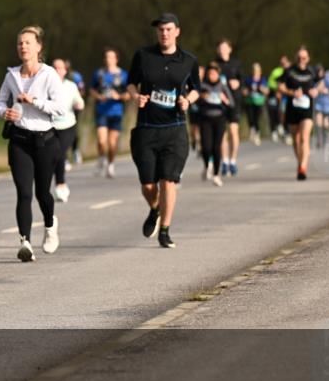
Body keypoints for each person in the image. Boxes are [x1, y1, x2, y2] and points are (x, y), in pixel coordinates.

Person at [0, 26, 70, 261]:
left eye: (28, 42)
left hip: (45, 141)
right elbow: (0, 102)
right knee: (24, 192)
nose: (23, 46)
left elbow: (61, 108)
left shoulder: (49, 74)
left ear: (38, 47)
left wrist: (35, 101)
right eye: (20, 43)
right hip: (19, 140)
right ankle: (25, 242)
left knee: (42, 193)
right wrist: (5, 112)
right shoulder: (11, 75)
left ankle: (50, 225)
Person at [127, 13, 200, 249]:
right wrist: (135, 96)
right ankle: (155, 208)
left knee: (168, 181)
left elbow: (196, 89)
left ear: (177, 31)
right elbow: (130, 83)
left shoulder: (188, 60)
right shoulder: (143, 56)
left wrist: (188, 100)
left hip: (174, 130)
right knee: (148, 185)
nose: (164, 33)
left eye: (168, 29)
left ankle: (165, 230)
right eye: (160, 30)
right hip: (146, 129)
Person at [278, 46, 318, 180]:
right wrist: (292, 92)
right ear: (296, 58)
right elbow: (280, 86)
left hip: (307, 109)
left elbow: (322, 84)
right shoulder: (289, 71)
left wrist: (316, 91)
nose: (301, 60)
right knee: (295, 139)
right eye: (299, 58)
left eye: (304, 58)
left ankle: (303, 168)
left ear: (308, 59)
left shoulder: (312, 71)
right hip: (292, 108)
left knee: (304, 138)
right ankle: (300, 162)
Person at [49, 58, 85, 202]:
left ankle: (61, 185)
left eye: (60, 68)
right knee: (52, 156)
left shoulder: (71, 86)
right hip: (50, 126)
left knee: (60, 153)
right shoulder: (45, 86)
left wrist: (78, 104)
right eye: (54, 68)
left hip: (67, 125)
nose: (57, 70)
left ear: (65, 71)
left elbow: (80, 101)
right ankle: (57, 184)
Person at [90, 47, 129, 178]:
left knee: (112, 144)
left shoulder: (123, 75)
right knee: (102, 141)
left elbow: (129, 94)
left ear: (116, 59)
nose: (109, 60)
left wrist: (119, 96)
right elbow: (92, 90)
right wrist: (99, 97)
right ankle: (101, 158)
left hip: (116, 112)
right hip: (101, 111)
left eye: (111, 57)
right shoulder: (99, 73)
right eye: (107, 57)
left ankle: (111, 165)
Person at [197, 62, 234, 187]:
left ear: (218, 74)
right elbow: (194, 101)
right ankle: (207, 165)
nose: (212, 76)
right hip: (205, 119)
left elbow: (232, 104)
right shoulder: (202, 86)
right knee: (206, 147)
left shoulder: (222, 86)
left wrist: (225, 100)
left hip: (219, 119)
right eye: (209, 74)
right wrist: (202, 97)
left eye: (214, 74)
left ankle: (216, 175)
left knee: (216, 147)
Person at [214, 39, 244, 177]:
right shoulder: (214, 64)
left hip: (234, 101)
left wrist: (237, 83)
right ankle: (225, 161)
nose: (222, 51)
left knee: (233, 130)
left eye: (225, 48)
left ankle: (233, 161)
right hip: (219, 102)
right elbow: (208, 81)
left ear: (230, 49)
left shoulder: (236, 63)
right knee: (222, 133)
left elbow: (243, 80)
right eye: (220, 48)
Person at [266, 54, 290, 143]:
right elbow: (270, 82)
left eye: (285, 62)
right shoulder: (276, 71)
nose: (284, 64)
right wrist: (277, 89)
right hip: (278, 96)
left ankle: (286, 132)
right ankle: (279, 129)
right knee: (278, 113)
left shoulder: (291, 71)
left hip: (289, 96)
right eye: (282, 62)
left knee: (287, 115)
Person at [243, 62, 268, 145]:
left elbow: (267, 91)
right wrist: (247, 91)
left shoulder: (262, 79)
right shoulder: (248, 79)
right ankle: (252, 131)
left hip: (259, 102)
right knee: (250, 118)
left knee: (256, 119)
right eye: (254, 70)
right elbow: (244, 91)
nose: (255, 71)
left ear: (260, 71)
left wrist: (261, 89)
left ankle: (257, 134)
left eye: (257, 70)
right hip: (250, 101)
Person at [67, 60, 86, 164]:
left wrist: (77, 100)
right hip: (61, 108)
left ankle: (75, 150)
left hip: (73, 107)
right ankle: (64, 157)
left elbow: (82, 89)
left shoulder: (76, 76)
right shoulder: (54, 76)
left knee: (73, 129)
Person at [312, 64, 329, 149]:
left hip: (326, 103)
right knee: (318, 122)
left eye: (321, 71)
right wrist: (318, 89)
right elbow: (312, 90)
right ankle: (319, 140)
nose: (320, 73)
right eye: (319, 71)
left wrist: (327, 90)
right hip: (318, 104)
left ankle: (324, 140)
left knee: (325, 123)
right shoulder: (314, 81)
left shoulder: (326, 80)